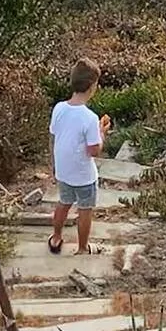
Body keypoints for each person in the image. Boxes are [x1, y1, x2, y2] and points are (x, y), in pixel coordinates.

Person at [48, 59, 111, 255]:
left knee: (63, 203)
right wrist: (101, 134)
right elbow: (93, 150)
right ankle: (82, 247)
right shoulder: (90, 118)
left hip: (64, 171)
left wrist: (54, 165)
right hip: (84, 175)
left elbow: (53, 136)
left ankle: (56, 237)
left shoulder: (59, 108)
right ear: (92, 87)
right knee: (85, 209)